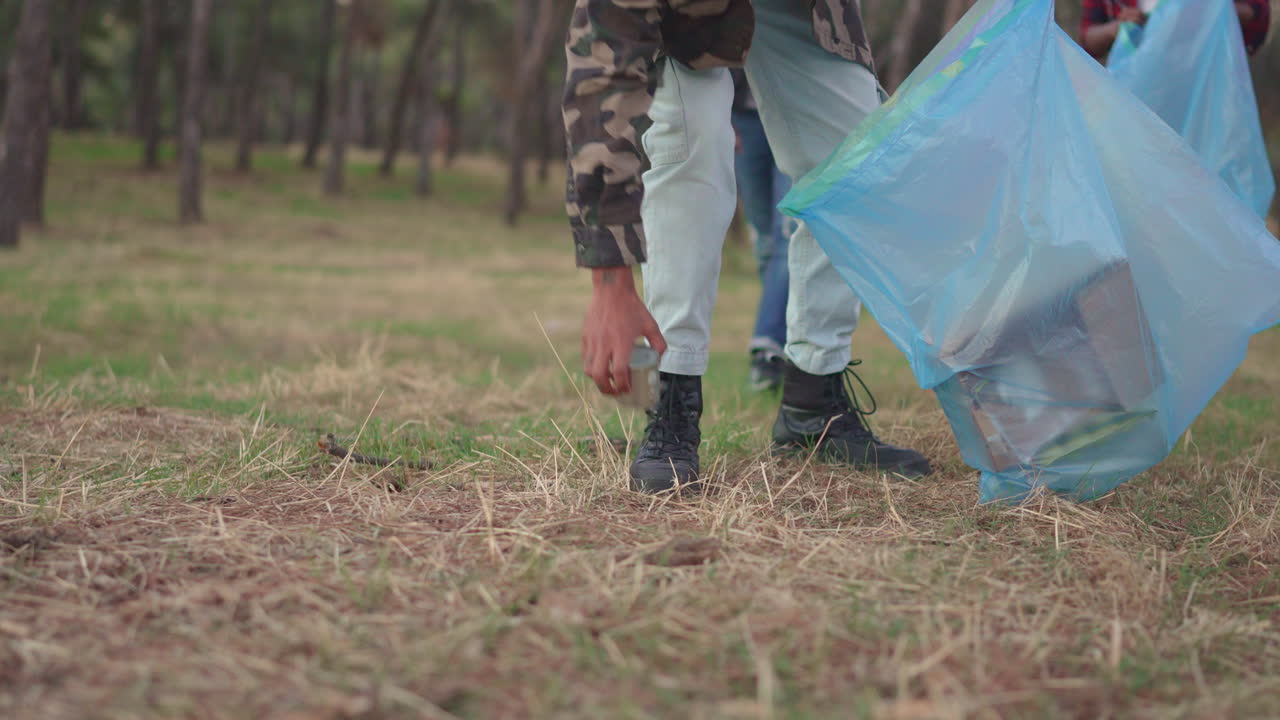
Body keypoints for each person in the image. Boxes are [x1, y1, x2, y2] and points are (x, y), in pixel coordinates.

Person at [564, 0, 933, 493]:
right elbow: (603, 79)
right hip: (683, 20)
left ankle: (813, 401)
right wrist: (611, 281)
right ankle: (673, 398)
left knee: (856, 156)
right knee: (691, 144)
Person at [731, 69, 792, 393]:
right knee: (765, 240)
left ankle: (767, 345)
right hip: (744, 117)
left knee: (788, 233)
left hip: (794, 112)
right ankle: (789, 343)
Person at [1081, 0, 1271, 59]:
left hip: (1205, 94)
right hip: (1139, 99)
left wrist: (1212, 6)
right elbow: (1088, 38)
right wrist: (1115, 30)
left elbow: (1258, 15)